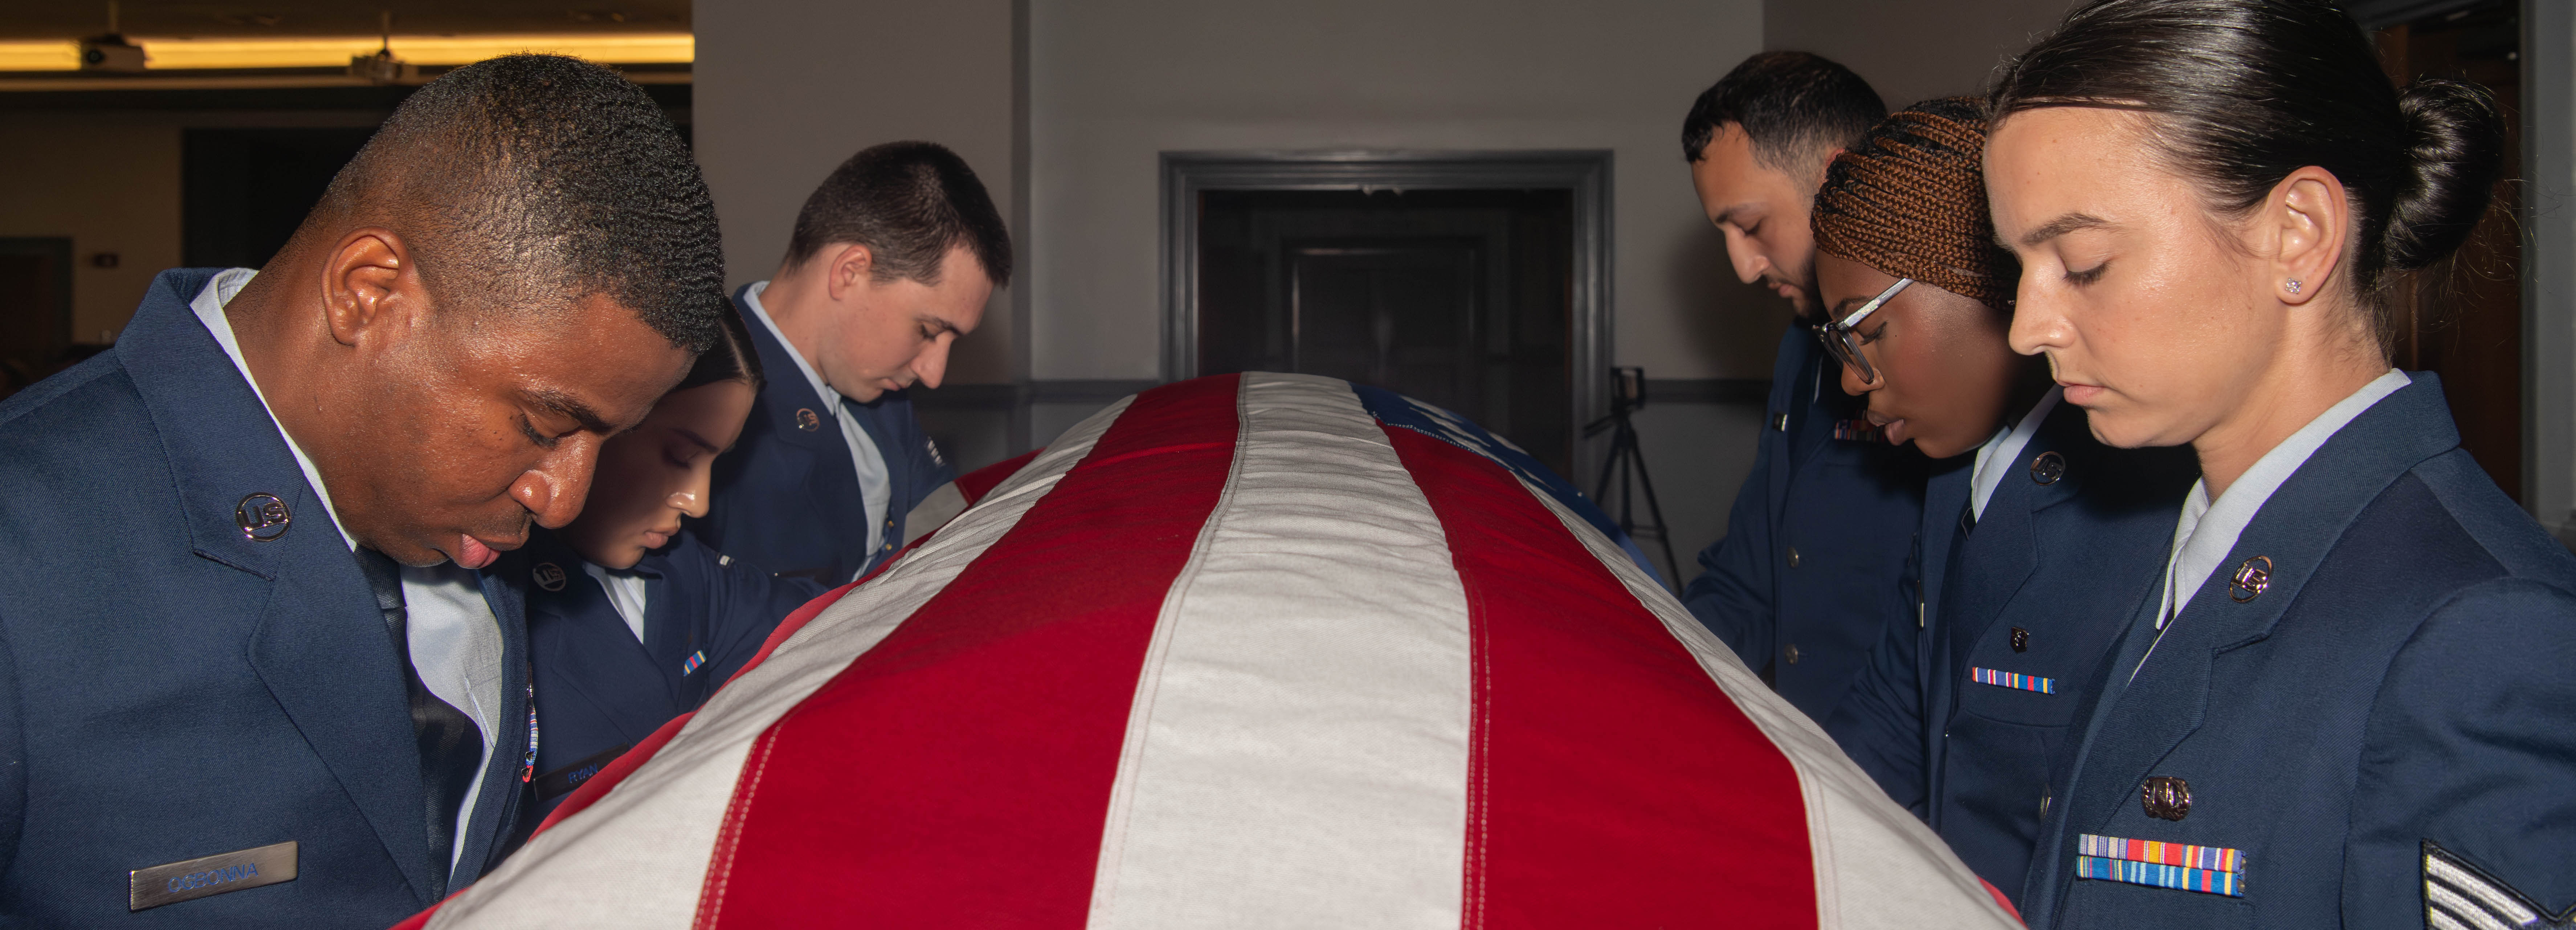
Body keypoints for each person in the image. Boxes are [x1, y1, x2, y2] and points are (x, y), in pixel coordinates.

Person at [0, 55, 726, 926]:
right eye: (542, 425)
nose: (563, 500)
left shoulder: (459, 530)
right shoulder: (26, 552)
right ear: (369, 293)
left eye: (607, 440)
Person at [1983, 1, 2576, 926]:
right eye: (2016, 268)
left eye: (2083, 261)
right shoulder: (2190, 545)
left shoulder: (2479, 630)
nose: (2027, 326)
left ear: (2295, 232)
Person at [1799, 98, 2197, 907]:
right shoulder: (1957, 478)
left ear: (1977, 278)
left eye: (1862, 331)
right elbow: (1891, 717)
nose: (1849, 379)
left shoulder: (2139, 502)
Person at [1678, 52, 1931, 722]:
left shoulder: (1954, 369)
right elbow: (1750, 576)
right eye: (1725, 235)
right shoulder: (1803, 345)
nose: (1741, 267)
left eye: (1752, 226)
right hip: (1811, 751)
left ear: (1838, 180)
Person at [507, 309, 828, 832]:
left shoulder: (684, 571)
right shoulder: (495, 602)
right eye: (680, 456)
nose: (698, 502)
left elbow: (834, 617)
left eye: (715, 465)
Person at [698, 142, 1012, 586]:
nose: (934, 373)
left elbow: (944, 527)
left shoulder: (878, 389)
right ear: (850, 271)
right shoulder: (699, 402)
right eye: (926, 330)